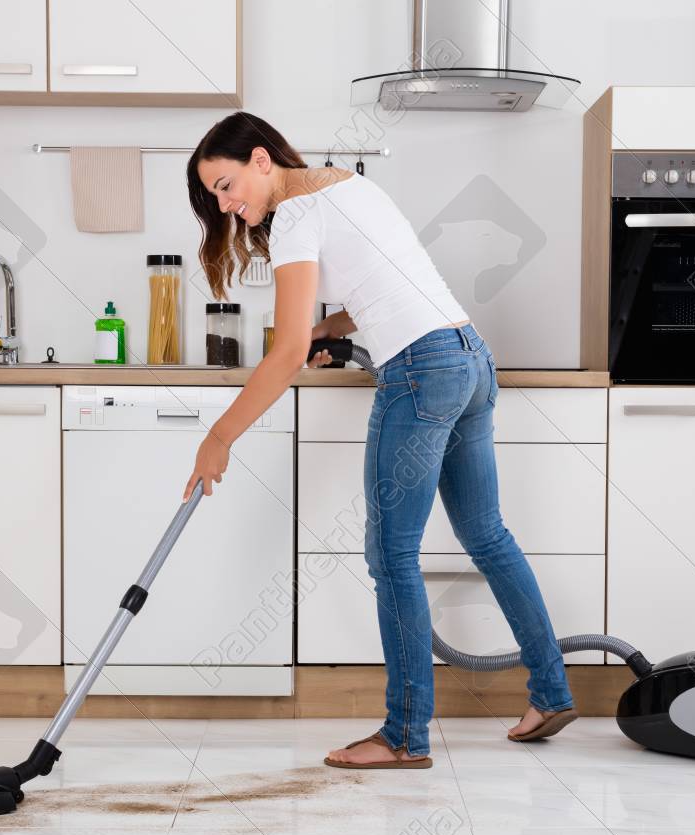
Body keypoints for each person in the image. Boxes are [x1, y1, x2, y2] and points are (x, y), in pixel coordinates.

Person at [184, 112, 578, 768]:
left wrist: (220, 436)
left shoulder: (295, 217)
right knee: (487, 535)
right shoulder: (346, 185)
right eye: (216, 198)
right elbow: (376, 293)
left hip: (423, 371)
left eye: (227, 186)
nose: (227, 205)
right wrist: (317, 333)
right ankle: (552, 690)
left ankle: (403, 734)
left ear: (260, 158)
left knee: (391, 554)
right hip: (469, 356)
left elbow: (280, 355)